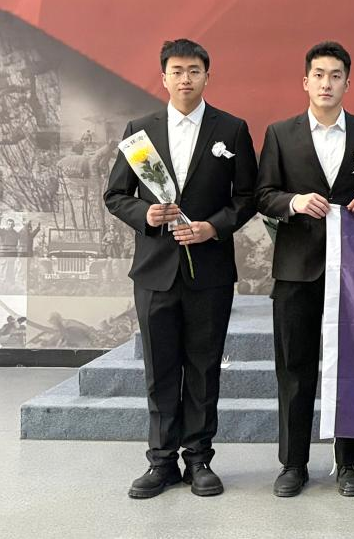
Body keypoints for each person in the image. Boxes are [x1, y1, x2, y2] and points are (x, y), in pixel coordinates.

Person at [104, 38, 258, 499]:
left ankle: (199, 459)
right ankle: (161, 461)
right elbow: (116, 195)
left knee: (204, 368)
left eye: (194, 70)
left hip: (210, 272)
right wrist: (146, 215)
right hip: (155, 272)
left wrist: (213, 227)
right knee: (161, 370)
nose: (185, 78)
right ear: (164, 77)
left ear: (208, 76)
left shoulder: (231, 129)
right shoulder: (140, 131)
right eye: (177, 71)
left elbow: (247, 197)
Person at [256, 41, 354, 499]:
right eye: (318, 75)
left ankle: (349, 461)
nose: (326, 83)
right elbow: (263, 195)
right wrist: (294, 202)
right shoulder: (280, 134)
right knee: (294, 369)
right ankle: (293, 463)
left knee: (352, 368)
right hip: (296, 270)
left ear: (348, 84)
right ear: (305, 81)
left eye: (336, 76)